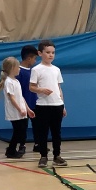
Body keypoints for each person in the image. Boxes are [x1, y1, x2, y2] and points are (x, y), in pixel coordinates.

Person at [29, 39, 67, 168]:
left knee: (57, 132)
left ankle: (57, 156)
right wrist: (41, 90)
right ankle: (43, 156)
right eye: (48, 52)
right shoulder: (36, 70)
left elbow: (59, 88)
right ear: (40, 53)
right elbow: (31, 87)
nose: (51, 55)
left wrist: (63, 105)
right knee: (43, 132)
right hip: (43, 106)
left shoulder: (56, 70)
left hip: (57, 105)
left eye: (53, 52)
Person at [0, 57, 35, 159]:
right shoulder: (8, 82)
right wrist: (19, 109)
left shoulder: (16, 81)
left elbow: (21, 97)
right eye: (18, 67)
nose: (19, 69)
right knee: (17, 131)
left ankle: (12, 149)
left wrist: (28, 109)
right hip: (15, 112)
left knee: (21, 130)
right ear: (12, 68)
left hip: (22, 110)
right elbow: (12, 98)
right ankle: (11, 150)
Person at [16, 45, 40, 154]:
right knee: (22, 126)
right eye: (35, 58)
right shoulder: (18, 72)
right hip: (23, 104)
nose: (35, 61)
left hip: (34, 102)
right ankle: (22, 145)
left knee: (37, 125)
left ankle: (38, 144)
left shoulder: (33, 71)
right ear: (29, 58)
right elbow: (18, 91)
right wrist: (21, 104)